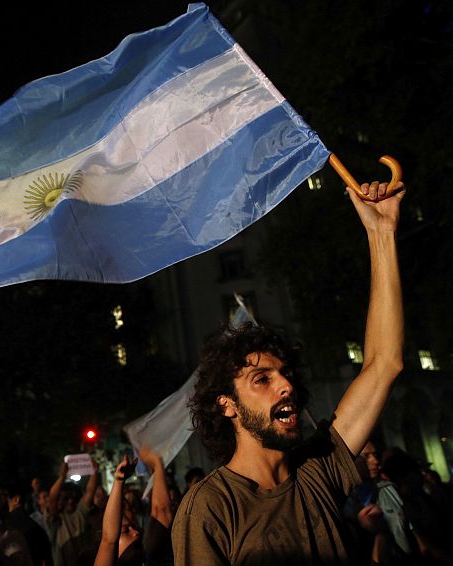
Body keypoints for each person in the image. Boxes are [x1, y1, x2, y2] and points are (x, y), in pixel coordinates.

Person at [172, 180, 406, 565]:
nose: (286, 385)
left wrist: (381, 233)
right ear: (227, 405)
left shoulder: (319, 468)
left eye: (285, 373)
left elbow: (384, 364)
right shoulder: (210, 507)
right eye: (261, 379)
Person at [46, 459, 99, 566]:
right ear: (59, 501)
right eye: (66, 498)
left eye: (72, 497)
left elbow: (90, 492)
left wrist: (94, 472)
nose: (70, 501)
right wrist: (62, 477)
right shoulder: (55, 520)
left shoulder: (80, 512)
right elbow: (52, 498)